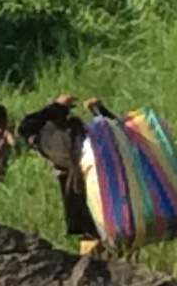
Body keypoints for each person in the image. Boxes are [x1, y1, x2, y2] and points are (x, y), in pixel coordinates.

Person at [16, 95, 108, 255]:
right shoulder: (82, 135)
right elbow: (116, 134)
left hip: (81, 207)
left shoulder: (47, 141)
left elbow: (25, 128)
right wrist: (100, 111)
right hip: (108, 204)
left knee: (91, 248)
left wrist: (56, 106)